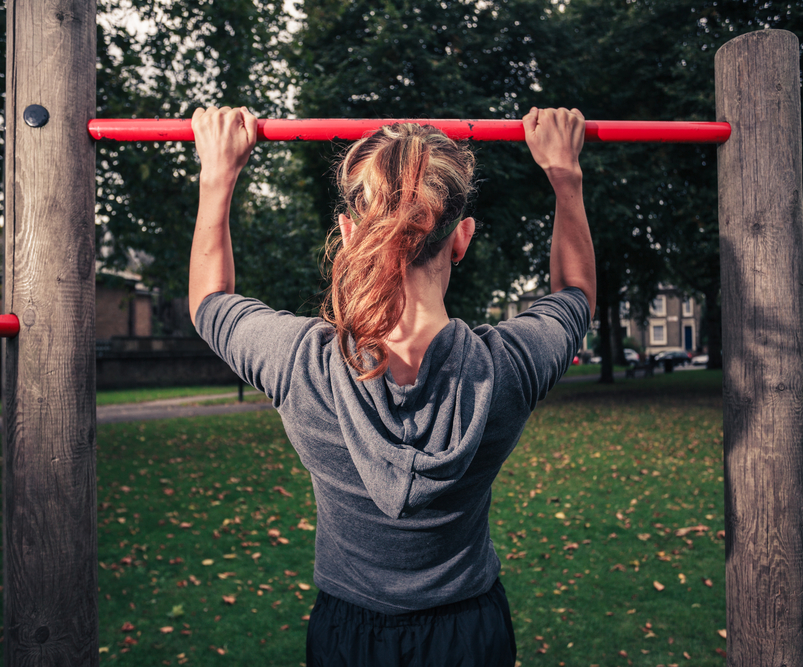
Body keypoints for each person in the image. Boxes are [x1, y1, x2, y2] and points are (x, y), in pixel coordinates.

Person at [188, 106, 595, 667]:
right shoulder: (507, 369)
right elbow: (576, 292)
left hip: (346, 638)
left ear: (351, 235)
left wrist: (218, 172)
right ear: (462, 240)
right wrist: (565, 177)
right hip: (470, 636)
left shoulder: (301, 363)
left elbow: (210, 302)